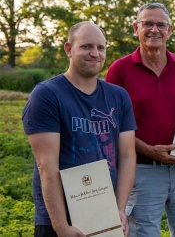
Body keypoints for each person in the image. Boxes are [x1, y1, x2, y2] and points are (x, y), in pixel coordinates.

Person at [105, 3, 175, 237]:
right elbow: (111, 127)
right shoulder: (120, 70)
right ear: (135, 28)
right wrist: (149, 150)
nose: (154, 30)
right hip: (141, 171)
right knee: (143, 233)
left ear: (170, 30)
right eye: (147, 24)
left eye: (161, 24)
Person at [22, 21, 137, 237]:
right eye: (86, 46)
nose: (95, 53)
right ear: (69, 49)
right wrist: (61, 226)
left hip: (105, 216)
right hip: (60, 219)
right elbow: (46, 165)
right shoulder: (47, 95)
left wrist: (119, 209)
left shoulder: (119, 96)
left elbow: (128, 155)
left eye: (100, 48)